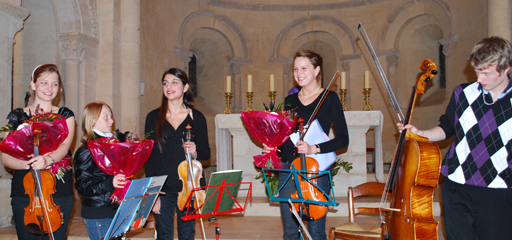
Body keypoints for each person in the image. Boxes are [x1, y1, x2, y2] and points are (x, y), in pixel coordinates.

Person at [398, 36, 512, 240]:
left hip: (497, 189)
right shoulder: (463, 93)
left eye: (486, 73)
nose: (479, 79)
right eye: (477, 71)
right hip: (456, 184)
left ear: (506, 68)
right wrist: (419, 133)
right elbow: (446, 128)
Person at [264, 50, 349, 240]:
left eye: (304, 68)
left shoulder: (330, 98)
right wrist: (274, 147)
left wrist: (313, 149)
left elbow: (343, 139)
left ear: (317, 70)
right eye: (295, 68)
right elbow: (287, 138)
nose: (298, 73)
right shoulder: (290, 101)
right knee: (290, 232)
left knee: (315, 231)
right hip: (288, 169)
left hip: (315, 170)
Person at [1, 64, 75, 239]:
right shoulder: (17, 116)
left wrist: (47, 160)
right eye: (44, 83)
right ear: (33, 85)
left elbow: (64, 147)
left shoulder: (65, 115)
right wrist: (29, 164)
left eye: (55, 84)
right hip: (26, 189)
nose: (50, 88)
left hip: (58, 189)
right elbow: (5, 155)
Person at [144, 68, 210, 240]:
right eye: (165, 83)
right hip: (162, 187)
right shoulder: (153, 117)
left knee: (187, 234)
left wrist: (195, 151)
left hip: (188, 186)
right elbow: (149, 158)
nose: (169, 86)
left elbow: (206, 153)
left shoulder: (197, 117)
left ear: (186, 87)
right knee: (163, 235)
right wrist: (152, 193)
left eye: (175, 82)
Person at [74, 101, 127, 240]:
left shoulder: (112, 145)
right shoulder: (86, 150)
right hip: (99, 212)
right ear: (92, 122)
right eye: (106, 117)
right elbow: (82, 186)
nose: (111, 120)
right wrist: (110, 183)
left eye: (111, 116)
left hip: (115, 209)